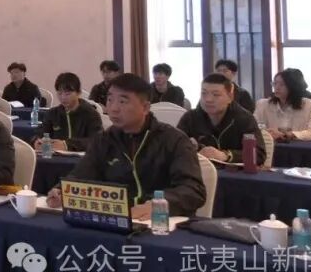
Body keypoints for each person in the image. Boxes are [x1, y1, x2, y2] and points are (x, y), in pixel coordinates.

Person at [46, 73, 205, 219]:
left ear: (145, 107)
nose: (113, 108)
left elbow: (193, 189)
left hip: (160, 223)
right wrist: (62, 190)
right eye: (110, 100)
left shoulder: (174, 140)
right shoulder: (104, 140)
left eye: (123, 101)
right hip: (116, 220)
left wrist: (159, 205)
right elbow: (82, 174)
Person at [177, 73, 266, 165]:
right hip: (200, 170)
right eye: (204, 93)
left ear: (230, 97)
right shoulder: (190, 117)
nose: (208, 99)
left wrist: (226, 155)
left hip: (233, 172)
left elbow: (258, 154)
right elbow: (174, 147)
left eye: (216, 95)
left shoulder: (244, 119)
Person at [36, 73, 103, 152]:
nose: (63, 97)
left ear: (78, 93)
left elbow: (97, 141)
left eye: (67, 94)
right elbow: (40, 134)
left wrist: (67, 145)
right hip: (56, 157)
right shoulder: (52, 114)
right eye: (60, 93)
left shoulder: (91, 114)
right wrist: (37, 141)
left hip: (83, 157)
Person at [254, 68, 311, 142]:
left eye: (282, 84)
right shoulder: (262, 105)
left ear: (293, 86)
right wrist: (266, 133)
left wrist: (286, 135)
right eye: (275, 83)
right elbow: (253, 128)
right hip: (271, 146)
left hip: (300, 147)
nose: (277, 87)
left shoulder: (310, 106)